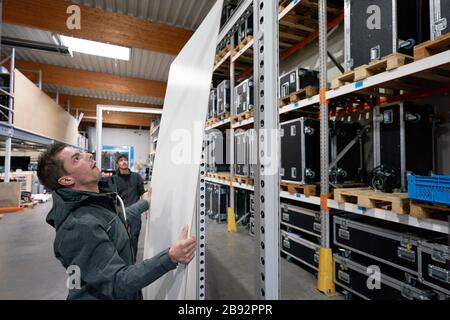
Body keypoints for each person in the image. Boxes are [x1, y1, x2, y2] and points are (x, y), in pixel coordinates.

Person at [37, 143, 196, 300]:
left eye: (82, 153)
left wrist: (144, 203)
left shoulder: (93, 203)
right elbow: (117, 282)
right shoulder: (79, 226)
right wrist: (171, 257)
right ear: (66, 180)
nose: (89, 156)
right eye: (76, 159)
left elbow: (115, 219)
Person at [107, 154, 146, 261]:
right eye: (121, 160)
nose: (124, 162)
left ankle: (132, 261)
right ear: (117, 163)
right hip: (119, 213)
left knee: (134, 236)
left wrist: (146, 208)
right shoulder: (113, 179)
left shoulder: (136, 177)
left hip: (135, 212)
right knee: (120, 237)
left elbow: (142, 193)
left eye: (125, 160)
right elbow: (111, 197)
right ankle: (121, 260)